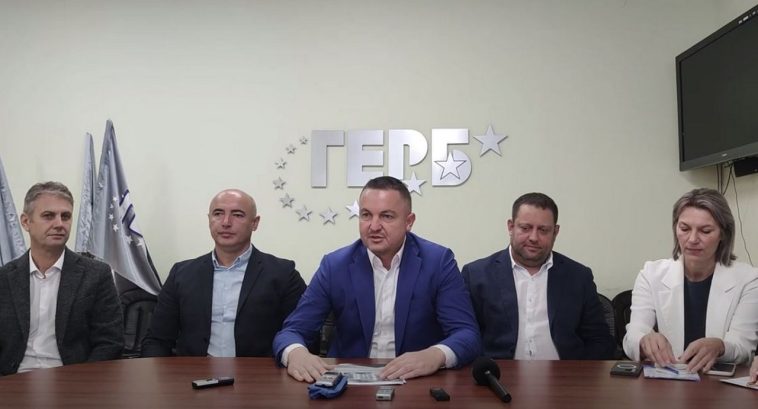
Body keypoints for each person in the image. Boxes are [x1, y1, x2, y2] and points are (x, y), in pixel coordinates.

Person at [273, 176, 480, 382]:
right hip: (349, 383)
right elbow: (292, 331)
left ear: (409, 221)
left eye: (386, 216)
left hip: (417, 381)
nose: (373, 226)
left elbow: (467, 334)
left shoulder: (438, 262)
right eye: (366, 215)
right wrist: (296, 353)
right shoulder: (335, 265)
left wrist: (435, 355)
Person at [142, 189, 306, 357]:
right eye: (218, 214)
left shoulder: (284, 274)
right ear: (209, 220)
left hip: (257, 371)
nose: (226, 222)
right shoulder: (181, 274)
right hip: (194, 371)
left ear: (255, 223)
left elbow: (301, 334)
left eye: (237, 215)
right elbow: (157, 340)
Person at [462, 192, 615, 360]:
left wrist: (576, 373)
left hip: (565, 372)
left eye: (543, 230)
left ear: (555, 232)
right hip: (500, 371)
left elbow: (599, 340)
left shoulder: (579, 277)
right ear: (511, 227)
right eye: (525, 228)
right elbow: (464, 335)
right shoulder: (476, 275)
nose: (534, 238)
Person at [623, 188, 758, 372]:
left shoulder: (749, 279)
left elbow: (743, 346)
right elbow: (633, 333)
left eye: (705, 231)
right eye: (685, 229)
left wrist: (720, 346)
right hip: (669, 380)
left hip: (719, 383)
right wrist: (643, 340)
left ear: (723, 234)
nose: (693, 239)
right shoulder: (650, 274)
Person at [0, 182, 123, 375]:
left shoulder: (96, 275)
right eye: (48, 216)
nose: (59, 224)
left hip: (73, 379)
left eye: (65, 216)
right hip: (12, 379)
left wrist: (81, 381)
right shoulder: (5, 278)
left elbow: (110, 342)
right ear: (25, 222)